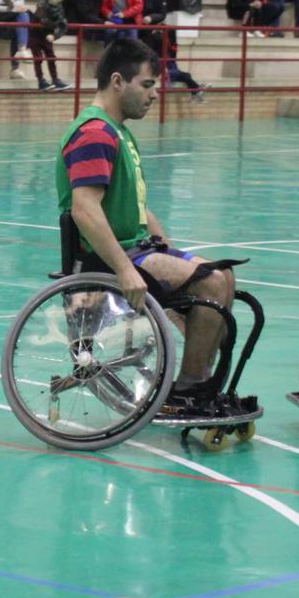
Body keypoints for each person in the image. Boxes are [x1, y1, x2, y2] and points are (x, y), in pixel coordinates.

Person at [58, 36, 238, 400]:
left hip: (138, 249)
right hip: (109, 259)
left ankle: (196, 373)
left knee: (223, 276)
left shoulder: (117, 132)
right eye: (148, 84)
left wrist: (170, 250)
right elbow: (84, 208)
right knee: (213, 283)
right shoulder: (94, 134)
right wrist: (125, 269)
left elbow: (139, 208)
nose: (155, 94)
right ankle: (188, 390)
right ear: (117, 81)